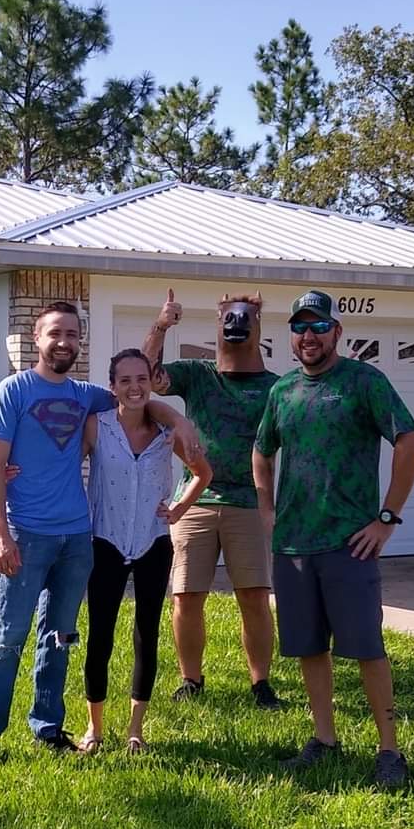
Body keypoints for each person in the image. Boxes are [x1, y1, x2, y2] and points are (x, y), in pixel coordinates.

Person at [0, 302, 198, 767]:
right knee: (9, 636)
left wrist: (178, 420)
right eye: (56, 333)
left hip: (77, 537)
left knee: (60, 636)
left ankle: (47, 725)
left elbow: (138, 396)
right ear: (37, 338)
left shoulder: (86, 396)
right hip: (25, 533)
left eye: (72, 334)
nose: (64, 342)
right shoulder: (11, 392)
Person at [252, 289, 414, 789]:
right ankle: (324, 739)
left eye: (319, 327)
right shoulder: (282, 391)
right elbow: (262, 452)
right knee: (309, 648)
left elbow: (411, 440)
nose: (309, 336)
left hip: (350, 543)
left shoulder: (364, 382)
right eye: (300, 328)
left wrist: (387, 517)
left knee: (367, 647)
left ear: (337, 333)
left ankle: (389, 751)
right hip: (294, 545)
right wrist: (267, 510)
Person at [143, 288, 283, 710]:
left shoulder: (276, 387)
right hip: (195, 501)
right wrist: (161, 325)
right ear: (217, 324)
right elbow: (147, 376)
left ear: (259, 326)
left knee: (254, 597)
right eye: (228, 318)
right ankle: (191, 680)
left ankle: (261, 684)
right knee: (186, 596)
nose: (235, 326)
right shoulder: (198, 375)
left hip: (248, 504)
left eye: (245, 319)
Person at [77, 349, 212, 755]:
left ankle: (136, 728)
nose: (134, 387)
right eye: (125, 380)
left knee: (146, 634)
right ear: (113, 386)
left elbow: (203, 473)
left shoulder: (169, 435)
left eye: (142, 379)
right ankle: (94, 727)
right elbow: (65, 467)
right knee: (100, 635)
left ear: (151, 383)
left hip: (154, 543)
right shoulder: (96, 427)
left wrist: (179, 508)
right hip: (105, 542)